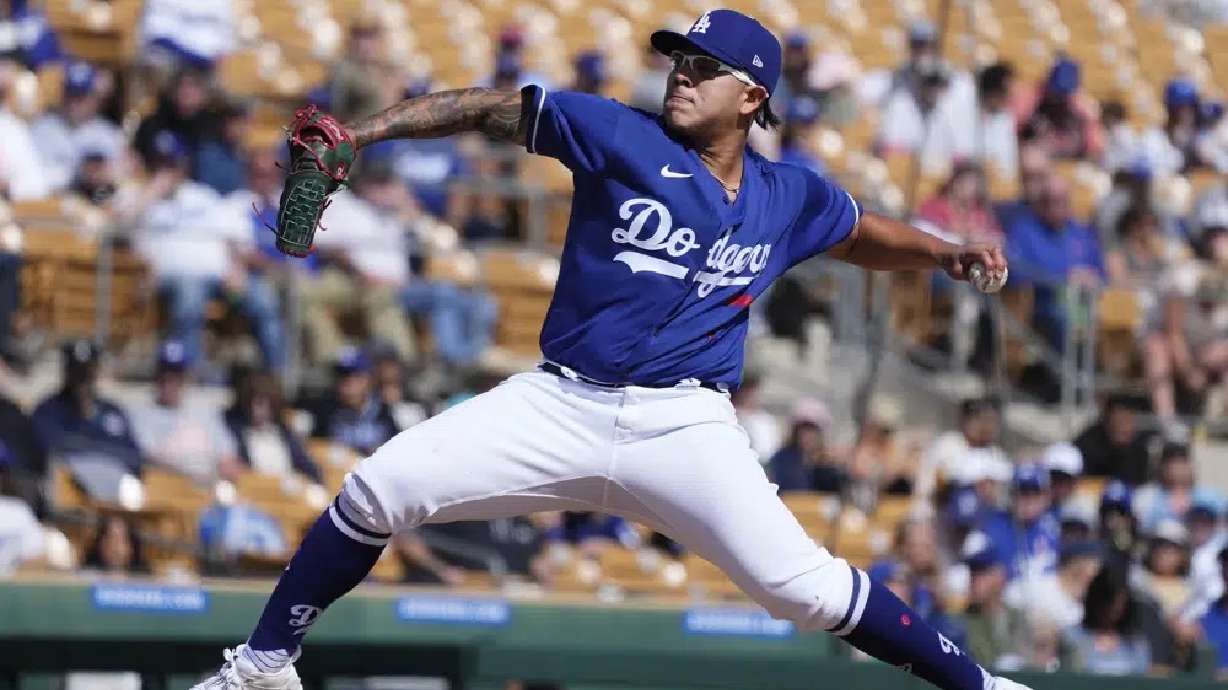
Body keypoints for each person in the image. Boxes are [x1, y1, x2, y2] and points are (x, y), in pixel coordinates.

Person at [192, 11, 1025, 690]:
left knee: (802, 588)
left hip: (685, 426)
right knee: (379, 490)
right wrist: (366, 134)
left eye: (703, 67)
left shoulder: (787, 194)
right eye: (678, 60)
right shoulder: (618, 133)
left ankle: (982, 686)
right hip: (561, 402)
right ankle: (262, 666)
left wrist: (940, 253)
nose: (680, 75)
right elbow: (488, 108)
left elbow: (857, 233)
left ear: (751, 97)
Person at [128, 340, 243, 485]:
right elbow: (150, 459)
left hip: (210, 487)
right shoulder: (140, 415)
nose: (169, 381)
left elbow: (228, 456)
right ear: (155, 375)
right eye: (164, 373)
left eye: (176, 374)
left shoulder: (206, 412)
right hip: (167, 486)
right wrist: (193, 476)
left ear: (186, 377)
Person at [31, 339, 143, 476]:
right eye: (77, 372)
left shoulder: (113, 412)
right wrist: (104, 451)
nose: (82, 380)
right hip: (66, 483)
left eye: (86, 373)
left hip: (113, 483)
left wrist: (90, 448)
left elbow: (134, 457)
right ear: (66, 372)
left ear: (96, 372)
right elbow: (49, 448)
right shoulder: (47, 411)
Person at [30, 60, 125, 192]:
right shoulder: (41, 129)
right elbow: (33, 177)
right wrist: (77, 173)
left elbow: (121, 177)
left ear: (95, 98)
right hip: (54, 198)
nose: (74, 103)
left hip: (99, 197)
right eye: (71, 95)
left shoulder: (109, 134)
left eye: (81, 97)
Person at [224, 370, 322, 483]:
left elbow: (312, 472)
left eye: (265, 404)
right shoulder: (234, 433)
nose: (258, 410)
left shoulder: (285, 434)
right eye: (254, 403)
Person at [309, 347, 401, 456]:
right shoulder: (325, 413)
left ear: (369, 379)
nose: (348, 385)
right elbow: (314, 450)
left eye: (355, 377)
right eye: (342, 377)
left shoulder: (386, 411)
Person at [1063, 564, 1152, 675]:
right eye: (1108, 602)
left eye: (1120, 604)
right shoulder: (1071, 637)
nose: (1115, 609)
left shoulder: (1136, 644)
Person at [1073, 393, 1156, 485]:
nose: (1125, 426)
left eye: (1129, 420)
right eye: (1120, 420)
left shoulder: (1140, 448)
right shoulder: (1086, 445)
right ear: (1107, 420)